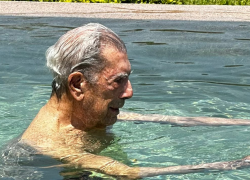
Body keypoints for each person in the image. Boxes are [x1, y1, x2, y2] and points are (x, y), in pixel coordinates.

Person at [20, 23, 250, 179]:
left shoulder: (89, 113)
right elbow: (129, 173)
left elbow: (171, 119)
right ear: (78, 84)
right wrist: (237, 164)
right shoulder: (51, 143)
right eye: (118, 81)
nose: (129, 92)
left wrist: (245, 122)